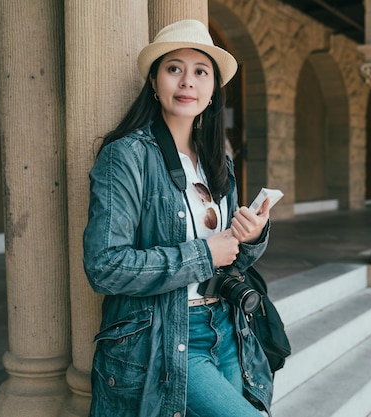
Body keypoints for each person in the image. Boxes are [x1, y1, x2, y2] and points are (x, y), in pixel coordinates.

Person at [83, 19, 274, 417]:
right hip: (163, 335)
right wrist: (204, 254)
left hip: (224, 327)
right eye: (174, 69)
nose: (187, 81)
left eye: (200, 72)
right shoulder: (126, 156)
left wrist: (250, 237)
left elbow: (230, 260)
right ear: (154, 81)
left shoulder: (219, 162)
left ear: (212, 91)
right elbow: (104, 266)